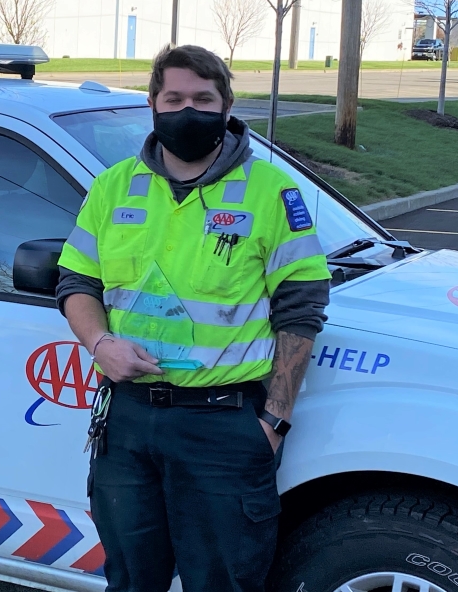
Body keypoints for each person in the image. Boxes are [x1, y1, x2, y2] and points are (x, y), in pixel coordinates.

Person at [56, 44, 331, 592]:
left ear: (227, 105)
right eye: (174, 97)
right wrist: (100, 342)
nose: (187, 110)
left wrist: (273, 421)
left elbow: (301, 308)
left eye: (203, 99)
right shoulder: (113, 188)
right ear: (153, 105)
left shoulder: (270, 191)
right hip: (127, 422)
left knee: (222, 582)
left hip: (222, 428)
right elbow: (76, 282)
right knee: (132, 579)